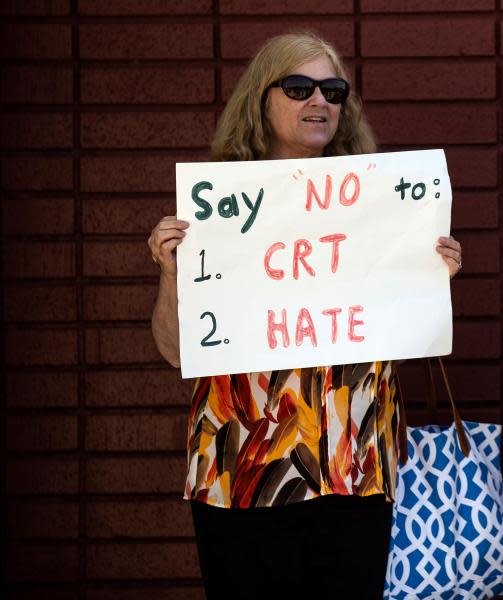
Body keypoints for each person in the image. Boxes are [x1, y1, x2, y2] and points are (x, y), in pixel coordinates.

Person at [147, 32, 463, 598]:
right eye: (298, 87)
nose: (319, 102)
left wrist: (430, 275)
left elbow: (409, 322)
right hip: (244, 464)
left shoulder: (381, 203)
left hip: (354, 466)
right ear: (260, 100)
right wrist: (172, 273)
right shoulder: (218, 207)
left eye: (333, 90)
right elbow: (176, 351)